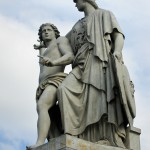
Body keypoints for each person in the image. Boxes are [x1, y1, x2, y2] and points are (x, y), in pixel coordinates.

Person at [57, 0, 136, 148]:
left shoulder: (104, 15)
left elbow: (118, 36)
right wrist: (46, 46)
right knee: (63, 89)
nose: (75, 3)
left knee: (100, 99)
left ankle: (103, 135)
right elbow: (60, 43)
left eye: (76, 0)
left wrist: (117, 51)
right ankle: (73, 134)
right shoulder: (76, 25)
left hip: (100, 61)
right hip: (80, 64)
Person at [27, 23, 74, 149]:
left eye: (49, 30)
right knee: (46, 112)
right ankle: (53, 139)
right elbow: (42, 67)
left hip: (56, 79)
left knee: (42, 105)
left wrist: (54, 62)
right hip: (43, 85)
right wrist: (41, 48)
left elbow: (70, 56)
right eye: (43, 31)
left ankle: (40, 142)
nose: (46, 32)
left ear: (55, 32)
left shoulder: (60, 40)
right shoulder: (45, 50)